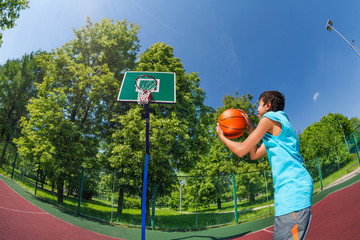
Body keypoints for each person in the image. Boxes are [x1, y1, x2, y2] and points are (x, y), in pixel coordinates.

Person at [217, 91, 313, 240]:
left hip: (292, 191)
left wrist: (222, 137)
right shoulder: (279, 127)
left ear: (268, 105)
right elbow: (253, 154)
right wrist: (250, 127)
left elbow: (242, 150)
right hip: (291, 191)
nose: (256, 109)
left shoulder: (269, 118)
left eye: (259, 104)